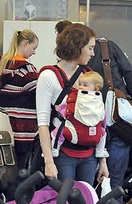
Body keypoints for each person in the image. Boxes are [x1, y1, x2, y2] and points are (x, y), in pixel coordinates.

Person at [36, 23, 108, 184]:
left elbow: (99, 119)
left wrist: (102, 161)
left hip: (89, 155)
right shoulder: (49, 76)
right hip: (62, 154)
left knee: (86, 202)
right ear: (78, 46)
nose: (92, 53)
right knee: (63, 203)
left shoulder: (88, 76)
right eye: (90, 48)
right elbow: (43, 123)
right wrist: (49, 162)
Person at [87, 34, 132, 191]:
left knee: (86, 183)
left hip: (89, 125)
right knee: (114, 183)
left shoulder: (75, 55)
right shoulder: (107, 46)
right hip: (118, 119)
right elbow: (130, 74)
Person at [0, 29, 39, 171]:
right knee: (20, 170)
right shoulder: (28, 70)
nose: (34, 52)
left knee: (1, 168)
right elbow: (41, 94)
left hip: (1, 126)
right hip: (23, 130)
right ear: (25, 43)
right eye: (33, 48)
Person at [50, 71, 108, 161]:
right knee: (103, 133)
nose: (80, 87)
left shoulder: (75, 97)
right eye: (80, 84)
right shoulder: (99, 102)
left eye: (85, 85)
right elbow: (103, 118)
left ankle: (54, 149)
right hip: (94, 136)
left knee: (58, 131)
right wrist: (102, 127)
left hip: (75, 135)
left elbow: (69, 112)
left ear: (96, 88)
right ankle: (100, 150)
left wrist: (60, 109)